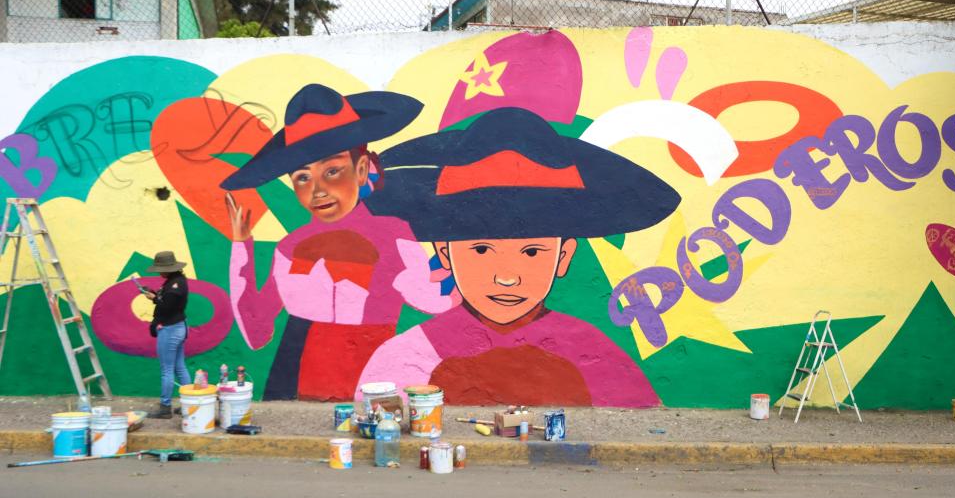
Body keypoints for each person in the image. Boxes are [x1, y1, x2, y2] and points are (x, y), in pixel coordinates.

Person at [359, 107, 681, 407]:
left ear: (564, 256)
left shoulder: (596, 356)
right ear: (445, 254)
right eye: (481, 250)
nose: (507, 277)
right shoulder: (407, 357)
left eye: (532, 252)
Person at [220, 84, 456, 401]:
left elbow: (436, 302)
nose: (318, 190)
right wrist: (241, 247)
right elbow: (256, 333)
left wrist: (458, 251)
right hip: (293, 375)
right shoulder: (288, 248)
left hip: (371, 371)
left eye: (332, 171)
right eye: (303, 177)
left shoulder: (394, 236)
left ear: (362, 169)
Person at [143, 251, 191, 418]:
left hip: (170, 329)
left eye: (160, 269)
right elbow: (170, 303)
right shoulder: (177, 281)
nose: (159, 272)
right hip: (179, 327)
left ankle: (165, 407)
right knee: (179, 367)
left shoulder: (174, 286)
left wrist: (154, 299)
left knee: (167, 370)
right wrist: (156, 296)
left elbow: (166, 307)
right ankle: (189, 405)